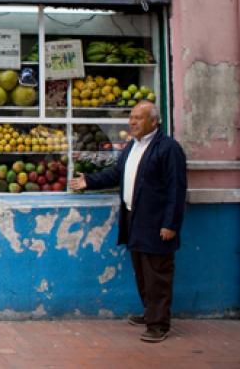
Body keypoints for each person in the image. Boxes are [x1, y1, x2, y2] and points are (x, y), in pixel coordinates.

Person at [70, 100, 186, 343]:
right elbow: (116, 173)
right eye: (131, 117)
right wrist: (89, 181)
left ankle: (159, 324)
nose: (132, 122)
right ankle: (150, 313)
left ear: (154, 122)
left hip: (156, 222)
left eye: (138, 118)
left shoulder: (168, 148)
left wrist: (170, 224)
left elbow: (177, 188)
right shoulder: (133, 147)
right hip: (134, 218)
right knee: (142, 272)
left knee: (158, 274)